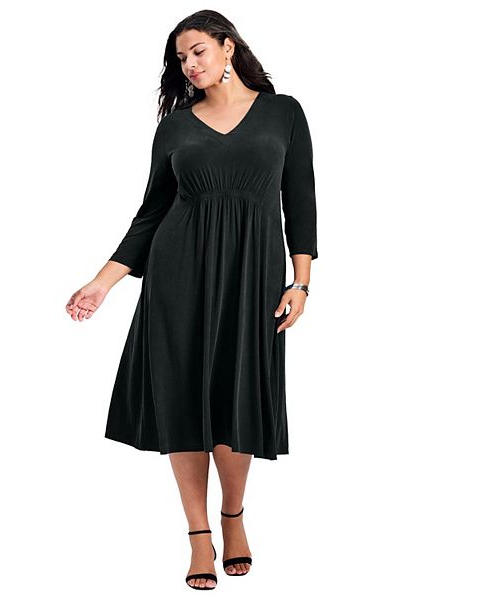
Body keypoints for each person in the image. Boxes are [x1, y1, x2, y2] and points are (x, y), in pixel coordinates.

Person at [65, 9, 318, 591]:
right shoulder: (176, 127)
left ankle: (234, 516)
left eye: (198, 51)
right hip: (177, 278)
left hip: (253, 278)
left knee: (237, 398)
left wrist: (300, 282)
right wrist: (102, 282)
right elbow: (151, 213)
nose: (189, 65)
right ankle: (199, 535)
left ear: (228, 47)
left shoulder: (284, 112)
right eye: (181, 58)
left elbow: (300, 199)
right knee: (182, 400)